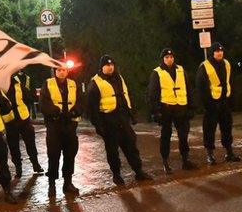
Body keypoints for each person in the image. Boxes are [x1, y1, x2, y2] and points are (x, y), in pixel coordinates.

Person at [85, 55, 153, 185]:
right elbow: (92, 108)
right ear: (102, 67)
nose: (110, 67)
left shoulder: (119, 78)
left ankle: (138, 171)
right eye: (107, 65)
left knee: (131, 146)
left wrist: (131, 114)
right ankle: (116, 175)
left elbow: (126, 95)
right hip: (108, 121)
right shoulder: (95, 82)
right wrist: (99, 126)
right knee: (112, 151)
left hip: (123, 118)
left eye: (112, 65)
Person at [147, 47, 198, 173]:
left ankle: (185, 160)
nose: (169, 59)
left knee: (183, 135)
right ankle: (165, 162)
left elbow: (188, 88)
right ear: (163, 59)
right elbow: (153, 94)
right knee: (166, 136)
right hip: (166, 108)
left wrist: (192, 106)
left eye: (171, 57)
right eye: (166, 57)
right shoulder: (157, 72)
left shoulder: (180, 70)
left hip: (181, 107)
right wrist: (156, 111)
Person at [39, 59, 83, 197]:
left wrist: (75, 112)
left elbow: (81, 101)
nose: (62, 72)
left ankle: (67, 183)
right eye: (59, 70)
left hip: (70, 125)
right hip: (54, 126)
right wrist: (56, 112)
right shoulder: (48, 83)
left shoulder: (73, 84)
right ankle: (52, 184)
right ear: (55, 71)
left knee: (70, 155)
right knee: (53, 155)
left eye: (64, 69)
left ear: (67, 71)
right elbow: (43, 103)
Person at [195, 42, 241, 164]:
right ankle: (210, 154)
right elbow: (201, 86)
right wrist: (206, 104)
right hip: (211, 103)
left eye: (221, 51)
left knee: (227, 128)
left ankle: (229, 152)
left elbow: (230, 81)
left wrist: (232, 99)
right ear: (212, 53)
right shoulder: (205, 66)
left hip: (224, 101)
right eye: (217, 51)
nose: (220, 53)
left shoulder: (226, 63)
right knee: (209, 130)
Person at [3, 70, 45, 179]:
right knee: (13, 146)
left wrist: (27, 105)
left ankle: (35, 164)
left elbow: (29, 97)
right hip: (10, 121)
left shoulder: (18, 85)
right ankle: (18, 167)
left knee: (30, 142)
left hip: (24, 118)